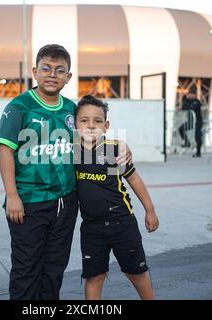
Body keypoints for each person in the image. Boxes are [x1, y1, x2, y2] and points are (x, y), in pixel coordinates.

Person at [0, 44, 131, 300]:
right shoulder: (19, 107)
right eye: (46, 68)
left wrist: (120, 145)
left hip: (66, 202)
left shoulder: (71, 110)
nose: (52, 74)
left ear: (68, 77)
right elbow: (5, 151)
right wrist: (11, 194)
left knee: (54, 269)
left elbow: (93, 139)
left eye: (60, 70)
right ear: (35, 71)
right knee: (27, 269)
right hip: (29, 202)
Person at [74, 95, 159, 300]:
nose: (91, 126)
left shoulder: (114, 150)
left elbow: (134, 180)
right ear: (75, 124)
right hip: (91, 227)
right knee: (94, 276)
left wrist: (150, 209)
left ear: (106, 125)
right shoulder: (72, 152)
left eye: (98, 121)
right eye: (84, 120)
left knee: (136, 272)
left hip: (122, 223)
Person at [179, 88, 203, 157]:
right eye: (189, 94)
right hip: (190, 121)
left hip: (198, 121)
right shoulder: (186, 101)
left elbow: (191, 108)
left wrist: (187, 106)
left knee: (197, 136)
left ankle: (198, 152)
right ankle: (187, 142)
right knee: (181, 129)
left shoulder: (197, 102)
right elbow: (184, 107)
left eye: (191, 94)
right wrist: (185, 98)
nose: (190, 96)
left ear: (194, 95)